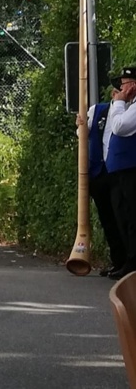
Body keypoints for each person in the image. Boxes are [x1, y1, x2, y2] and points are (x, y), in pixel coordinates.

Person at [76, 101, 126, 277]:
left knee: (122, 217)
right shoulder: (98, 110)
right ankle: (117, 261)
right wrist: (81, 125)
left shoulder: (127, 111)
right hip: (98, 172)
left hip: (118, 171)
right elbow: (82, 134)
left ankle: (128, 262)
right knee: (107, 220)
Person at [107, 67, 136, 279]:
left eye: (124, 83)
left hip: (132, 169)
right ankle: (129, 260)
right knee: (125, 217)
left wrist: (118, 103)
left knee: (132, 217)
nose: (120, 88)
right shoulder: (129, 106)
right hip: (123, 170)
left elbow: (119, 127)